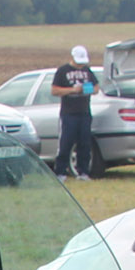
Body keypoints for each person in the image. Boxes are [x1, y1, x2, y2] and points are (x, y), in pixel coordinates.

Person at [52, 44, 99, 180]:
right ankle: (60, 172)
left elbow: (96, 88)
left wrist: (86, 89)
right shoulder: (63, 71)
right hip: (68, 114)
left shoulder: (87, 71)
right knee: (66, 143)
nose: (80, 65)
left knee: (84, 143)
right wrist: (73, 90)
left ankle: (83, 172)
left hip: (84, 113)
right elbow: (54, 90)